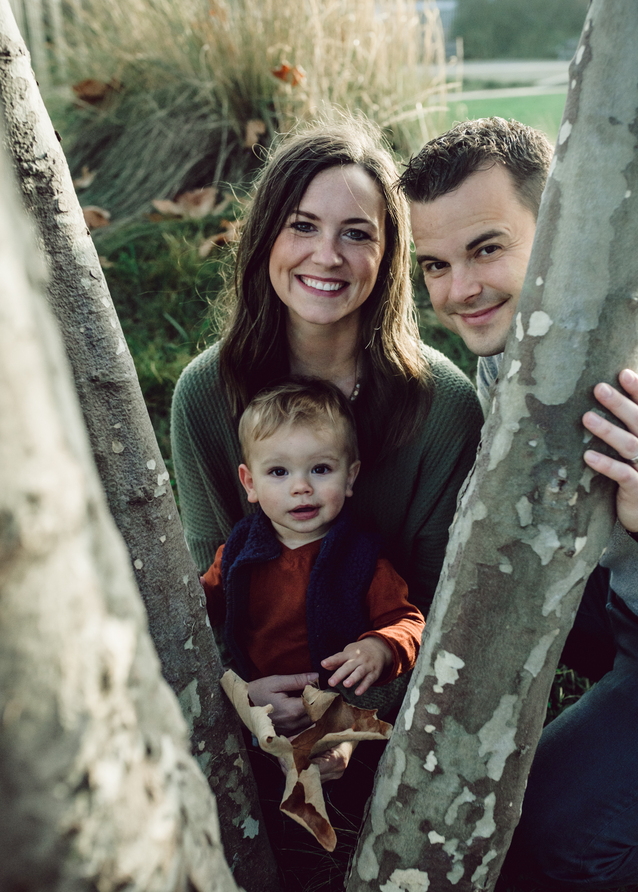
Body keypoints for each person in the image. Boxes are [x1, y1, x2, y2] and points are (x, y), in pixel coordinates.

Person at [171, 117, 484, 754]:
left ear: (388, 253)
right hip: (256, 709)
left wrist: (352, 715)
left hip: (388, 706)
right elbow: (208, 592)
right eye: (303, 226)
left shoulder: (444, 406)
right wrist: (238, 692)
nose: (327, 256)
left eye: (356, 234)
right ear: (266, 240)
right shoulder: (205, 393)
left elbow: (438, 605)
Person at [399, 116, 638, 890]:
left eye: (486, 248)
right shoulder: (512, 351)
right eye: (433, 264)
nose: (458, 290)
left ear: (561, 229)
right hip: (618, 606)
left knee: (550, 838)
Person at [200, 378, 425, 701]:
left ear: (350, 476)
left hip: (336, 703)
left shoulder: (361, 557)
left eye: (320, 469)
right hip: (257, 696)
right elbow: (205, 602)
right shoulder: (238, 550)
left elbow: (407, 622)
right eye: (279, 472)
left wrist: (379, 648)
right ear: (250, 483)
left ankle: (332, 748)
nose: (301, 487)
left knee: (331, 747)